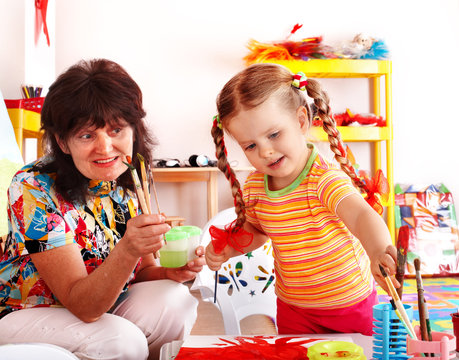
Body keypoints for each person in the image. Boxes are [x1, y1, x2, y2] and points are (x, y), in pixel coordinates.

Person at [0, 59, 205, 360]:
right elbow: (81, 304)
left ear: (134, 130)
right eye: (87, 135)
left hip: (101, 304)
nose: (106, 148)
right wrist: (127, 248)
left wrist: (171, 271)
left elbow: (143, 270)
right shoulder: (33, 187)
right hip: (26, 312)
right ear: (63, 142)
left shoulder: (131, 175)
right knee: (122, 341)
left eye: (116, 130)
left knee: (176, 300)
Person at [205, 63, 398, 336]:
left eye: (273, 135)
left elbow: (361, 216)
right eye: (251, 145)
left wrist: (378, 249)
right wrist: (230, 248)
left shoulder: (323, 180)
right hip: (294, 310)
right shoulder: (256, 187)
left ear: (301, 121)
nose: (266, 151)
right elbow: (256, 230)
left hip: (350, 306)